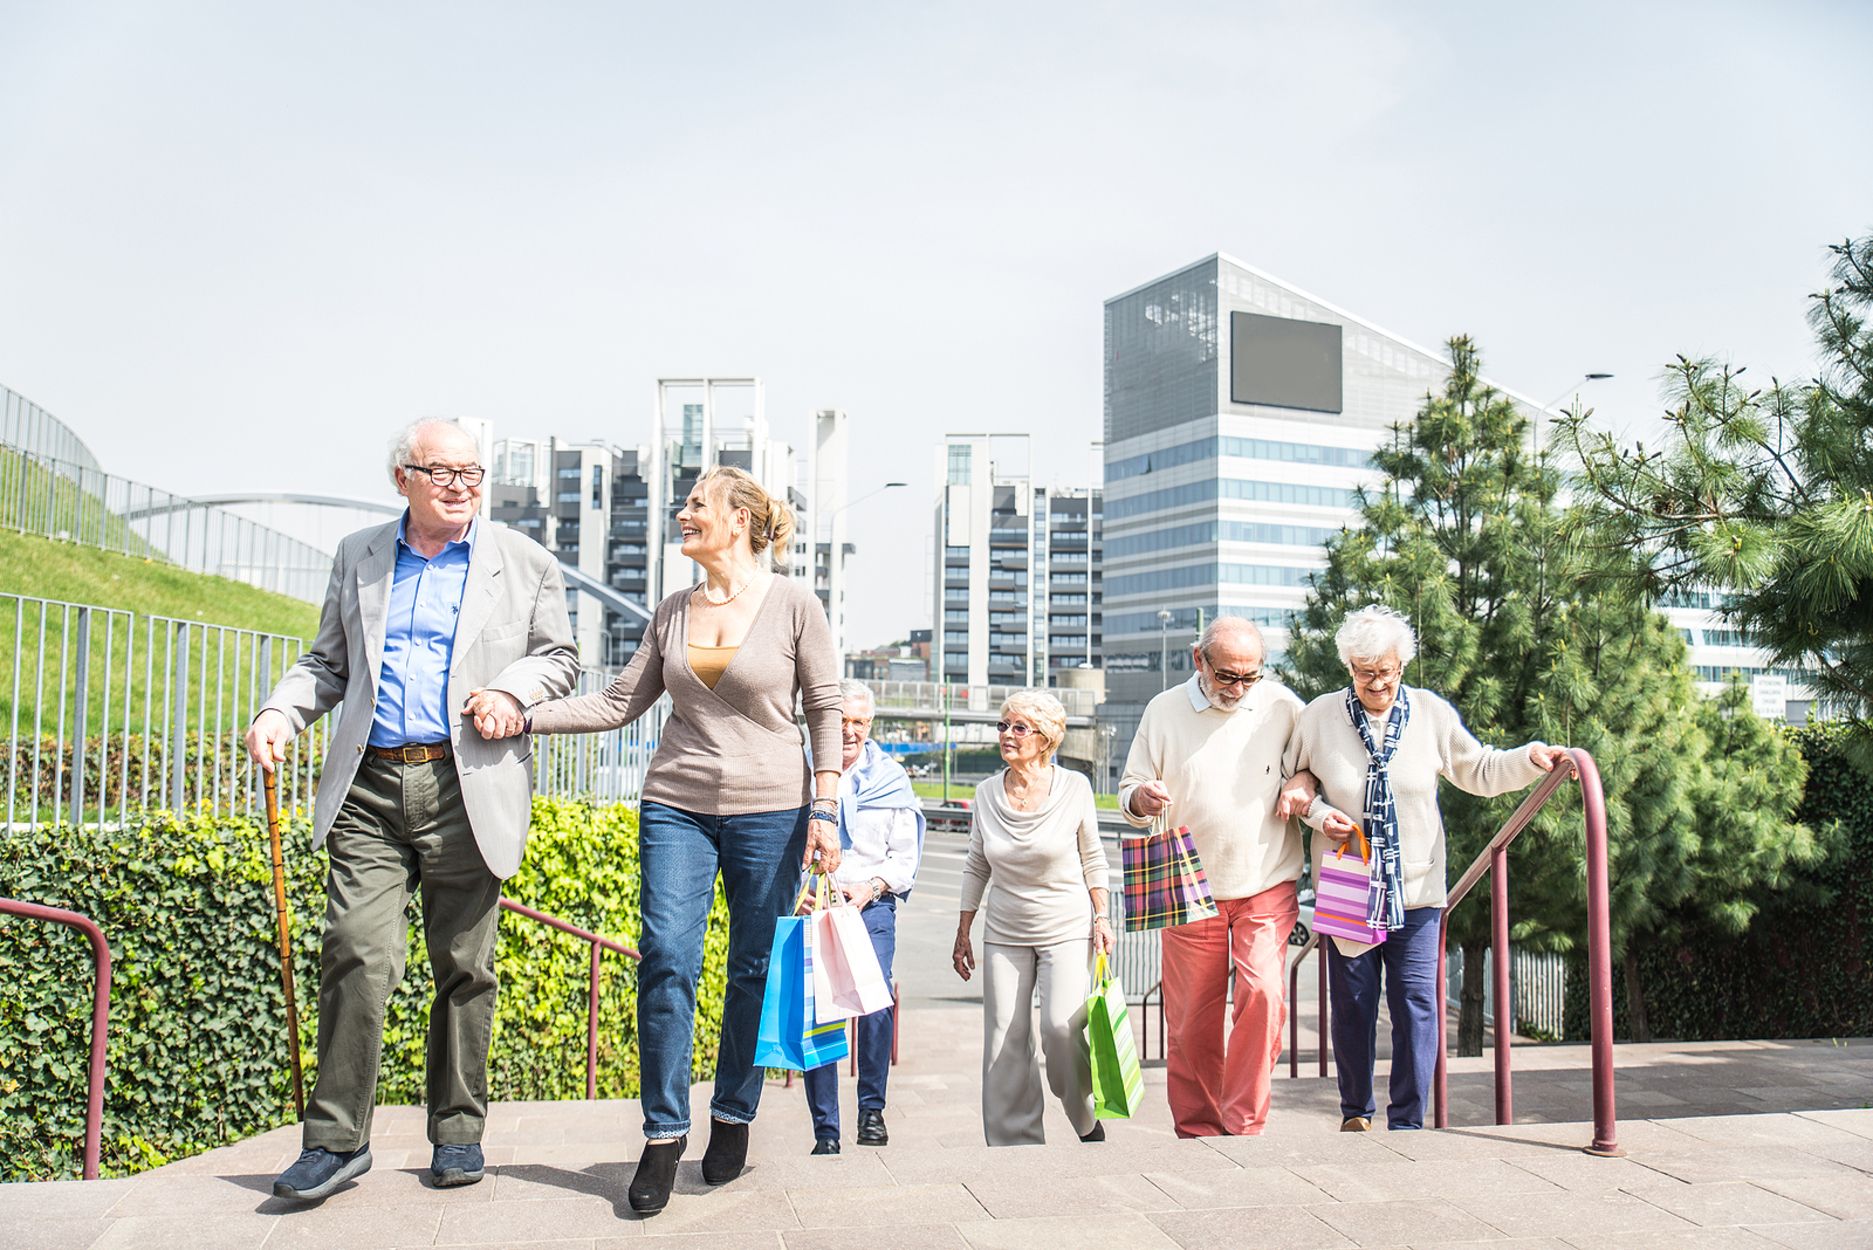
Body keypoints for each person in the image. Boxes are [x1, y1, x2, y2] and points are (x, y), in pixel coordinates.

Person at [488, 464, 842, 1215]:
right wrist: (522, 714)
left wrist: (826, 808)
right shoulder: (673, 609)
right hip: (674, 805)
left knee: (750, 971)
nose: (682, 515)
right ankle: (662, 1133)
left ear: (740, 520)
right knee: (666, 963)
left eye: (696, 506)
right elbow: (620, 702)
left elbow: (825, 708)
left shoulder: (793, 604)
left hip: (772, 810)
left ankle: (734, 1116)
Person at [245, 418, 580, 1201]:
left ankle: (458, 1134)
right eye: (442, 473)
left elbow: (559, 659)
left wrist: (511, 691)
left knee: (466, 968)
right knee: (358, 953)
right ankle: (335, 1142)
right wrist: (280, 713)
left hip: (468, 786)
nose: (461, 486)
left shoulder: (524, 562)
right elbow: (327, 662)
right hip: (369, 785)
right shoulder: (359, 554)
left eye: (472, 473)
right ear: (403, 478)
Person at [1284, 605, 1569, 1132]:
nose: (1378, 683)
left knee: (1417, 1005)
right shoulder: (1320, 717)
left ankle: (1408, 1119)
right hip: (1350, 882)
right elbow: (1295, 781)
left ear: (1402, 666)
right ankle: (1355, 1112)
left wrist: (1529, 759)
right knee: (1353, 1005)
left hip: (1416, 889)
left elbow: (1477, 769)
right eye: (1366, 672)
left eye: (1387, 671)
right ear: (1349, 667)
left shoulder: (1430, 714)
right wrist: (1323, 816)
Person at [1118, 616, 1317, 1138]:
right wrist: (1141, 798)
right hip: (1186, 879)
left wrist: (1300, 780)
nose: (1239, 688)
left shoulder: (1282, 706)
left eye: (1250, 676)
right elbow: (1130, 791)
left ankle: (1244, 1122)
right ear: (1197, 659)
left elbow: (1311, 765)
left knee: (1265, 992)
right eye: (1228, 675)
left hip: (1265, 880)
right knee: (1189, 1022)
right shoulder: (1164, 710)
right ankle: (1200, 1130)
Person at [953, 690, 1113, 1146]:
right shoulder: (986, 793)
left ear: (1045, 739)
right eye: (1002, 726)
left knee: (1061, 1028)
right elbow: (976, 863)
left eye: (1018, 727)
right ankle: (1014, 1145)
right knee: (1005, 1036)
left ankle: (1084, 1118)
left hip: (1065, 926)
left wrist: (1102, 918)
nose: (1006, 735)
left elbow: (1093, 858)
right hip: (1004, 929)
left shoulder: (1074, 788)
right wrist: (964, 928)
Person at [802, 679, 923, 1156]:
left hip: (870, 903)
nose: (849, 731)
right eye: (840, 721)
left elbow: (903, 857)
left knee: (875, 1006)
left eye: (859, 722)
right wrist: (802, 890)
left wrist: (870, 887)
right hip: (817, 904)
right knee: (820, 1012)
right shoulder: (803, 772)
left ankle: (871, 1110)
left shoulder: (892, 778)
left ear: (870, 725)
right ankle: (825, 1130)